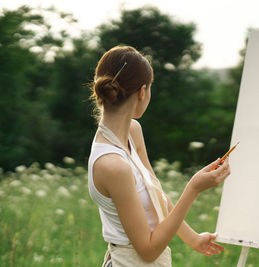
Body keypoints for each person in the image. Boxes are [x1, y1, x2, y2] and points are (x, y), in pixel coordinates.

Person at [87, 45, 231, 267]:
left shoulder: (132, 132)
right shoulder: (113, 166)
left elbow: (157, 196)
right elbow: (148, 250)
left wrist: (193, 238)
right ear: (142, 92)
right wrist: (193, 189)